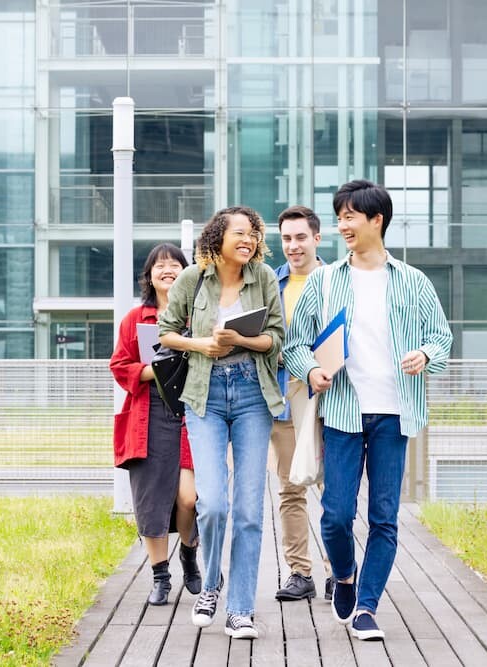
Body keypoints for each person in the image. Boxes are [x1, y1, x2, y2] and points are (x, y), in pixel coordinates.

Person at [283, 180, 453, 641]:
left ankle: (367, 607)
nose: (342, 225)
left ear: (376, 220)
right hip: (341, 412)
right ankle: (344, 575)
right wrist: (312, 369)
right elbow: (295, 343)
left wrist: (424, 354)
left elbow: (442, 338)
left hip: (394, 413)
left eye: (349, 217)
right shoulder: (324, 280)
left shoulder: (413, 281)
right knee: (336, 514)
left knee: (383, 516)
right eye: (338, 217)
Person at [158, 206, 285, 640]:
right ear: (218, 236)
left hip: (252, 392)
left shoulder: (265, 278)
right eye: (239, 233)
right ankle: (210, 584)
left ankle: (241, 610)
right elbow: (166, 332)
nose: (247, 240)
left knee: (249, 511)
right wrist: (203, 343)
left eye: (253, 234)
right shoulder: (193, 278)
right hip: (204, 395)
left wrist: (239, 340)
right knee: (212, 504)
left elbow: (275, 340)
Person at [110, 243, 202, 606]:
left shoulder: (198, 314)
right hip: (148, 417)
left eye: (175, 264)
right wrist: (156, 371)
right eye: (159, 266)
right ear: (149, 276)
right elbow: (120, 365)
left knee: (189, 497)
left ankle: (190, 555)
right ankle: (160, 576)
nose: (168, 270)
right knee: (150, 502)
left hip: (190, 415)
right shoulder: (136, 318)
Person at [269, 205, 333, 603]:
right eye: (287, 239)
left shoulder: (335, 282)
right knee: (291, 488)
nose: (293, 246)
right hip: (282, 397)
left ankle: (338, 571)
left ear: (316, 239)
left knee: (332, 489)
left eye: (300, 238)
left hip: (328, 398)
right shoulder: (270, 283)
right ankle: (299, 572)